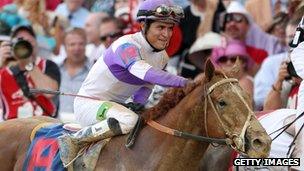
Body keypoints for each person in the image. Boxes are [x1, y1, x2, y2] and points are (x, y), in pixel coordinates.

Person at [58, 0, 193, 164]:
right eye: (160, 27)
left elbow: (146, 85)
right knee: (130, 121)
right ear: (143, 25)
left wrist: (138, 104)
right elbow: (148, 74)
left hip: (116, 107)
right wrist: (186, 83)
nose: (167, 34)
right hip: (89, 105)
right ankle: (74, 141)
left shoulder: (162, 56)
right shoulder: (126, 45)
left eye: (170, 28)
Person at [0, 25, 60, 120]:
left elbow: (50, 92)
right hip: (13, 128)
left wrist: (29, 63)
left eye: (28, 42)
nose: (23, 47)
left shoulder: (47, 65)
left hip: (44, 127)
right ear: (11, 47)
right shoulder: (4, 72)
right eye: (19, 43)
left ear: (36, 43)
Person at [57, 28, 92, 120]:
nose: (77, 48)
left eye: (81, 44)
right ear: (64, 47)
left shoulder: (94, 71)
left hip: (84, 123)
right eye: (72, 44)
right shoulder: (56, 70)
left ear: (86, 45)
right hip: (57, 123)